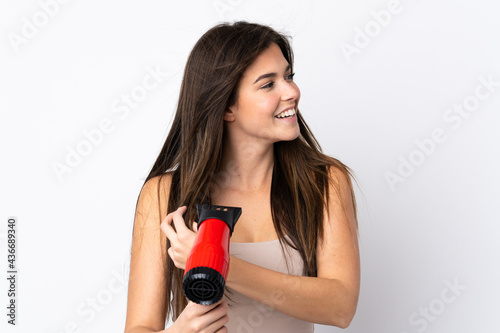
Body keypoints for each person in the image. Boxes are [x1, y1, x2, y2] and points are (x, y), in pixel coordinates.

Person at [124, 21, 360, 333]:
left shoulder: (325, 183)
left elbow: (340, 306)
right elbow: (140, 326)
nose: (292, 91)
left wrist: (215, 263)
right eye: (268, 84)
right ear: (226, 107)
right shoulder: (162, 195)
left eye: (288, 76)